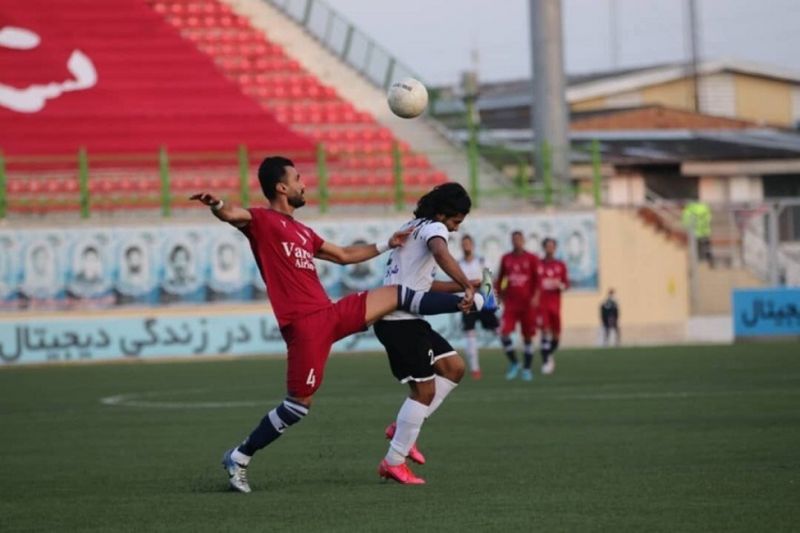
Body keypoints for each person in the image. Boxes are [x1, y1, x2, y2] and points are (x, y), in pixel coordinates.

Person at [190, 156, 492, 493]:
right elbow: (233, 214)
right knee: (298, 405)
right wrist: (216, 204)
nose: (304, 183)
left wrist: (385, 244)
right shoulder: (263, 221)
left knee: (395, 294)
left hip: (329, 313)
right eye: (298, 178)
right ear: (281, 187)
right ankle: (240, 456)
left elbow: (345, 255)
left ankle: (474, 302)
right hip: (304, 325)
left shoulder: (303, 231)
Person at [373, 184, 495, 485]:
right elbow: (441, 253)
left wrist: (467, 283)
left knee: (454, 368)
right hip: (396, 320)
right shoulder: (433, 229)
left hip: (408, 316)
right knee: (424, 392)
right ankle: (393, 461)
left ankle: (402, 428)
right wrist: (467, 285)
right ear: (442, 214)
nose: (454, 230)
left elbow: (423, 285)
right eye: (455, 222)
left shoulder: (412, 226)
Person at [496, 231, 540, 381]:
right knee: (504, 334)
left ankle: (527, 369)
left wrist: (535, 297)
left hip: (527, 305)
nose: (517, 242)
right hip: (511, 304)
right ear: (511, 241)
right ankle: (515, 363)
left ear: (524, 241)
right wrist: (500, 295)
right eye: (514, 239)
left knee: (527, 338)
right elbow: (501, 279)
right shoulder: (506, 259)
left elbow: (538, 281)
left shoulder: (532, 259)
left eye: (519, 239)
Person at [457, 234, 499, 380]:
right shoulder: (458, 265)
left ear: (472, 245)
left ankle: (514, 361)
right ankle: (475, 369)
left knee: (498, 330)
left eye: (468, 243)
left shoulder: (481, 261)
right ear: (461, 246)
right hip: (468, 302)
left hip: (483, 303)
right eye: (464, 243)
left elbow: (489, 281)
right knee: (470, 334)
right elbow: (456, 285)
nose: (466, 245)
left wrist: (490, 302)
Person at [538, 238, 569, 375]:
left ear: (555, 248)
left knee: (556, 337)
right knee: (544, 332)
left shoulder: (560, 265)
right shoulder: (538, 264)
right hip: (541, 305)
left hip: (555, 305)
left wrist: (561, 285)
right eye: (547, 246)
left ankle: (549, 354)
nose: (549, 249)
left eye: (552, 246)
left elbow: (566, 283)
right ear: (544, 248)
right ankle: (546, 361)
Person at [681, 201, 712, 265]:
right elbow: (709, 219)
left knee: (696, 248)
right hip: (705, 232)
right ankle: (708, 260)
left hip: (694, 233)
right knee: (706, 247)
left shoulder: (688, 211)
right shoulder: (705, 208)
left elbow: (685, 222)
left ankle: (698, 261)